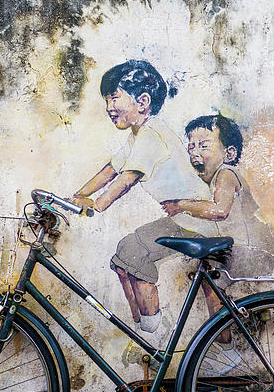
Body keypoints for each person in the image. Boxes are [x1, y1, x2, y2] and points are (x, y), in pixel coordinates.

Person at [69, 60, 213, 337]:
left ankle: (155, 334)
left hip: (195, 220)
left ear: (143, 102)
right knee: (124, 255)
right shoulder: (138, 136)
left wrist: (96, 205)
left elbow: (127, 178)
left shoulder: (152, 134)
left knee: (135, 254)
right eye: (106, 99)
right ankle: (143, 327)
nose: (109, 106)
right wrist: (77, 196)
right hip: (182, 220)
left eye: (114, 97)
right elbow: (111, 170)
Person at [161, 114, 274, 318]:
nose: (195, 153)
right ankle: (227, 336)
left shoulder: (226, 173)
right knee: (209, 279)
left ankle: (225, 344)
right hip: (237, 248)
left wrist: (181, 205)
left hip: (252, 250)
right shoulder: (211, 180)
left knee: (212, 283)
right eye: (191, 147)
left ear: (229, 153)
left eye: (204, 146)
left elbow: (219, 210)